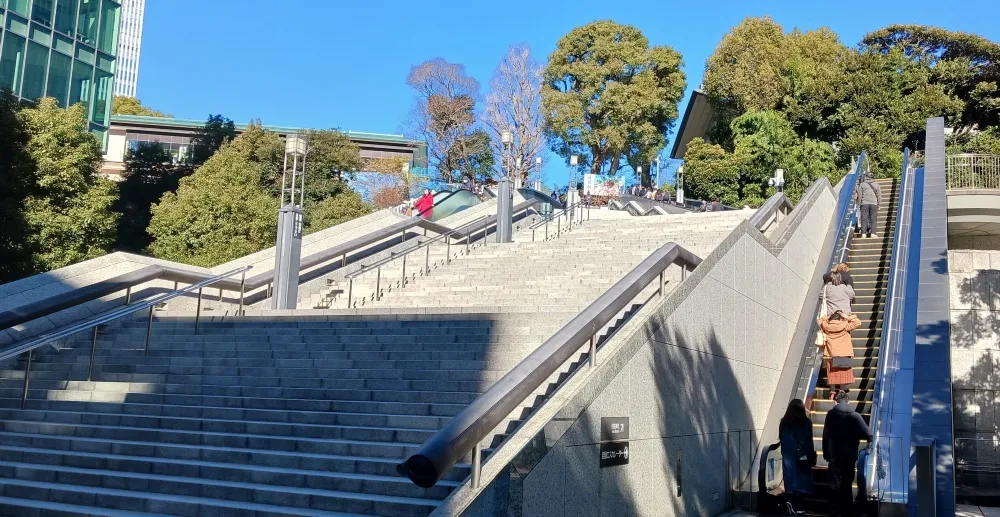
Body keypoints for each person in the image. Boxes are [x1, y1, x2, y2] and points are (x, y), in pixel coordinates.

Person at [822, 390, 873, 517]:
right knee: (847, 484)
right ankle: (847, 510)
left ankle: (833, 511)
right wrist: (856, 436)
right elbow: (870, 435)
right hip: (849, 457)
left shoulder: (831, 414)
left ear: (836, 401)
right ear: (848, 401)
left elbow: (826, 435)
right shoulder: (855, 416)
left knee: (834, 484)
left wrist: (825, 453)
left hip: (834, 454)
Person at [779, 399, 815, 515]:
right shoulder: (806, 423)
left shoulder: (783, 422)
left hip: (787, 455)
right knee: (802, 480)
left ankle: (789, 502)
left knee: (790, 479)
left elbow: (781, 437)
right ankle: (799, 507)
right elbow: (809, 441)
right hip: (802, 456)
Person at [819, 310, 861, 396]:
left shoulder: (826, 326)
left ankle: (832, 392)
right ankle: (841, 391)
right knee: (843, 374)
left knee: (832, 374)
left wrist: (828, 317)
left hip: (831, 354)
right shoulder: (845, 326)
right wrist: (847, 317)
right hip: (844, 354)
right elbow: (857, 323)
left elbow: (819, 321)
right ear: (841, 318)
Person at [857, 173, 882, 238]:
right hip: (874, 204)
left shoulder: (862, 184)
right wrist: (879, 204)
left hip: (864, 203)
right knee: (873, 218)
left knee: (864, 218)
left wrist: (859, 204)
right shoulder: (876, 185)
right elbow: (879, 196)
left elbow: (860, 195)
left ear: (866, 177)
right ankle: (873, 233)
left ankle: (863, 234)